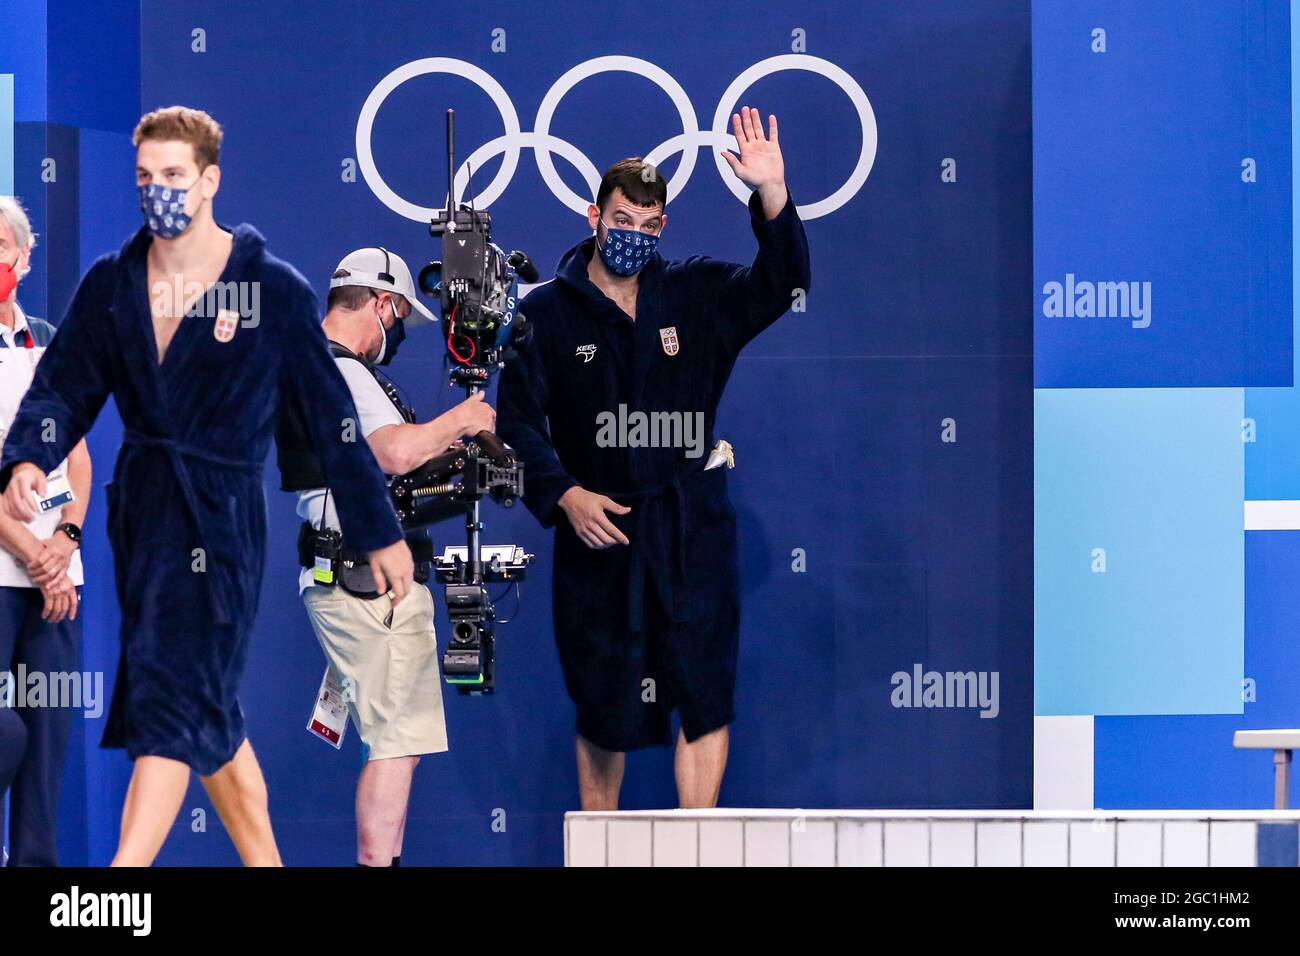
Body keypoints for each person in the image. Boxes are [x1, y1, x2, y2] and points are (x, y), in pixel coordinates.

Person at [0, 106, 413, 866]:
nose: (157, 191)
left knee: (169, 698)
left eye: (174, 177)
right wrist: (29, 458)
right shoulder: (113, 284)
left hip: (220, 527)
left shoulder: (272, 290)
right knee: (212, 719)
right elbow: (62, 391)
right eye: (145, 178)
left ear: (210, 180)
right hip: (145, 521)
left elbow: (335, 423)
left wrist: (379, 531)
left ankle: (119, 887)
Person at [498, 107, 811, 809]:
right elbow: (515, 423)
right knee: (604, 707)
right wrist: (564, 496)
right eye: (621, 221)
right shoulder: (544, 314)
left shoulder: (697, 294)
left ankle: (695, 852)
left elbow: (784, 285)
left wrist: (772, 193)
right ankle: (603, 852)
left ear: (662, 227)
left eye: (648, 225)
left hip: (690, 529)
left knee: (703, 695)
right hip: (599, 535)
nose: (633, 237)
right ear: (593, 216)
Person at [276, 247, 495, 866]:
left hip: (352, 574)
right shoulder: (339, 368)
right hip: (365, 582)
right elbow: (394, 453)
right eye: (397, 320)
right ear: (382, 303)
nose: (394, 335)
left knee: (396, 740)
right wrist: (465, 419)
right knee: (396, 741)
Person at [0, 196, 91, 865]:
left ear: (25, 259)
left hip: (56, 578)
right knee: (7, 736)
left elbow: (79, 456)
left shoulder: (47, 339)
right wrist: (30, 551)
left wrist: (65, 542)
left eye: (6, 244)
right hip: (6, 572)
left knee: (48, 736)